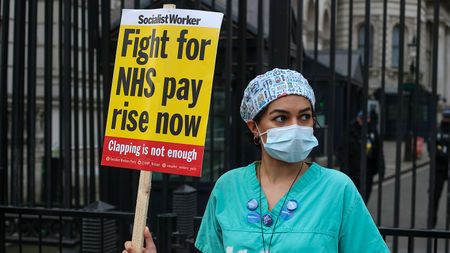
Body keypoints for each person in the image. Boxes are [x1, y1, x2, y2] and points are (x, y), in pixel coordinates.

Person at [194, 68, 389, 252]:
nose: (295, 127)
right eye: (281, 118)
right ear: (254, 127)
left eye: (305, 116)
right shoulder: (228, 187)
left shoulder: (337, 189)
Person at [344, 111, 384, 203]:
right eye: (361, 119)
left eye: (366, 119)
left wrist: (381, 168)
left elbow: (379, 152)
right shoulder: (351, 130)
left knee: (364, 197)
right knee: (353, 197)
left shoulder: (372, 131)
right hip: (353, 171)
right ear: (358, 119)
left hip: (368, 171)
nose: (364, 121)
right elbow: (344, 150)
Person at [431, 108, 450, 227]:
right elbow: (432, 149)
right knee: (435, 196)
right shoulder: (437, 130)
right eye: (446, 117)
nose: (447, 119)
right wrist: (444, 153)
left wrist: (441, 150)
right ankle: (432, 222)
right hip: (438, 168)